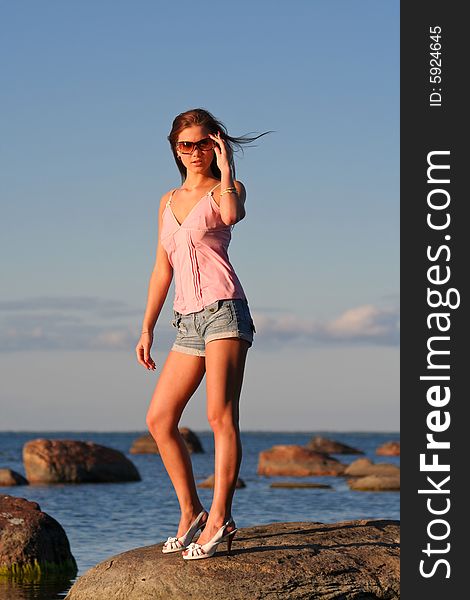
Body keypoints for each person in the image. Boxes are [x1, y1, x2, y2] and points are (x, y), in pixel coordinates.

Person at [135, 108, 271, 560]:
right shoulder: (167, 199)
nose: (193, 153)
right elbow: (162, 268)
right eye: (184, 145)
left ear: (214, 145)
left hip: (224, 313)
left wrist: (228, 169)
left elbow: (232, 216)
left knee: (219, 417)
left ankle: (220, 519)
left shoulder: (224, 190)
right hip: (185, 321)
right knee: (159, 419)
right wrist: (146, 326)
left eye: (201, 144)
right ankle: (191, 509)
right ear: (175, 149)